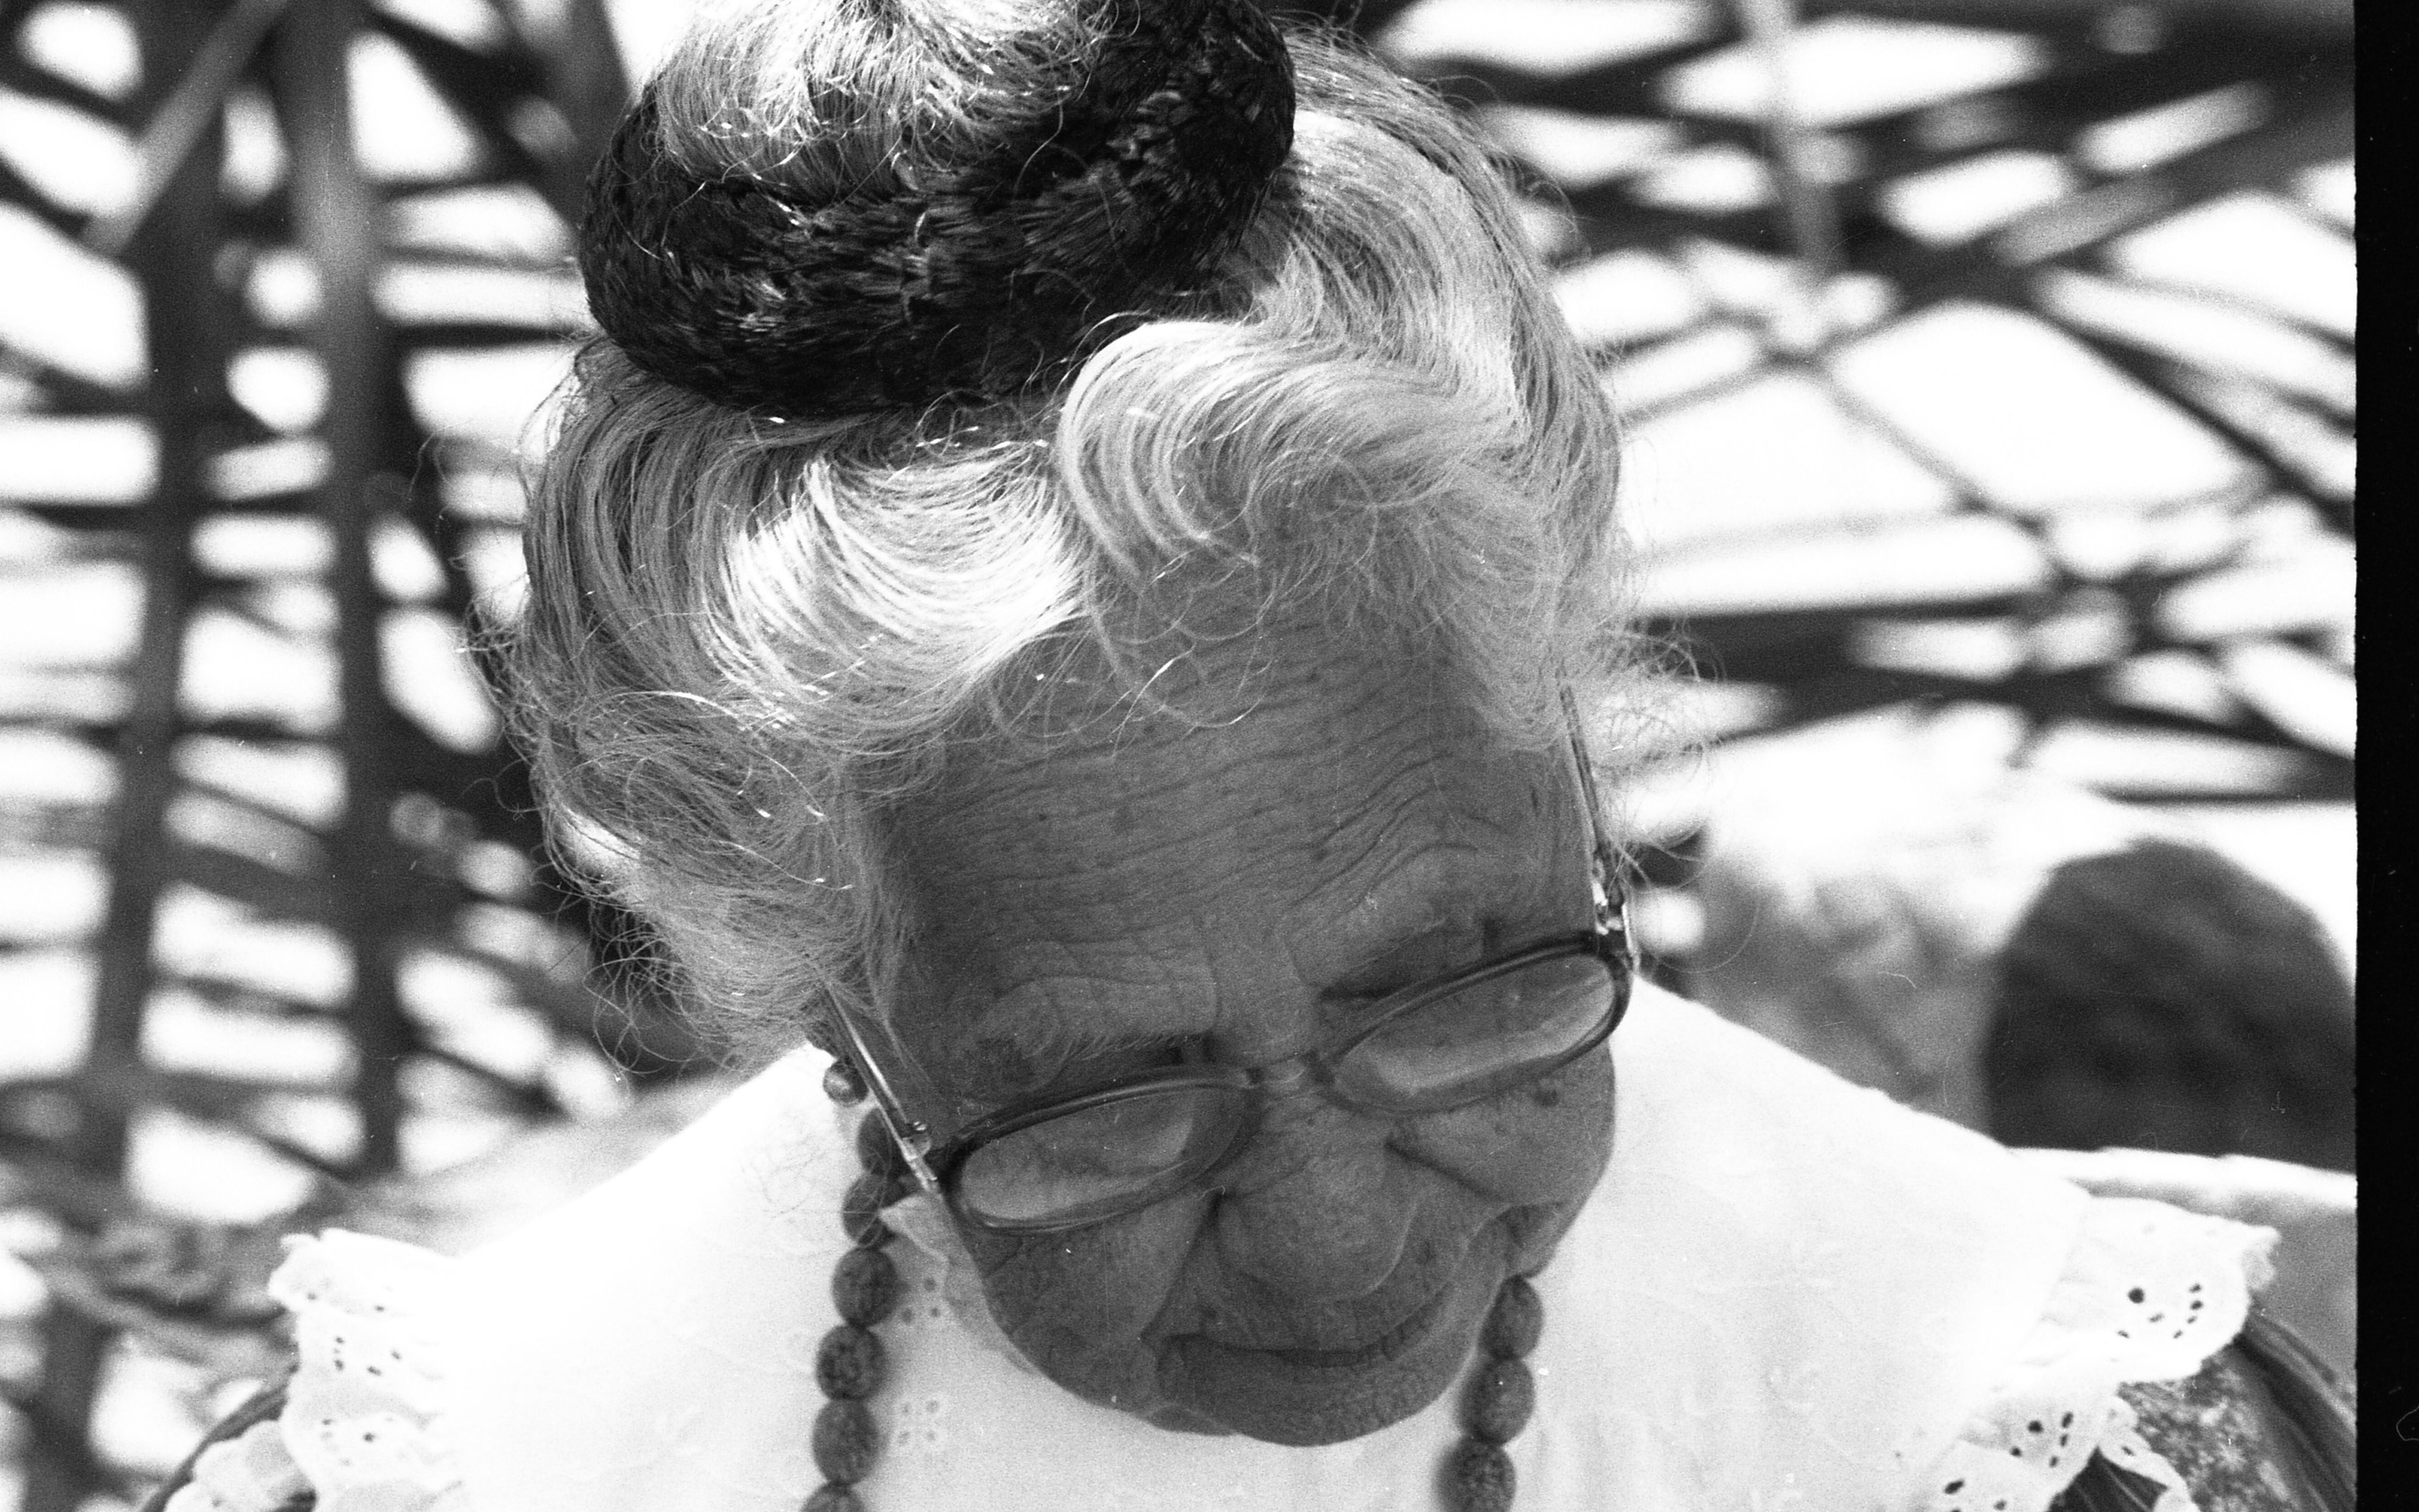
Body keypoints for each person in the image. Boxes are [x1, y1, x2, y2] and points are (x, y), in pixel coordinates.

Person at [143, 2, 2351, 1508]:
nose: (1325, 1243)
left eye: (1461, 990)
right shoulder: (452, 1464)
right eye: (1107, 1108)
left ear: (1574, 759)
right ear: (830, 1005)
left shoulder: (2046, 1423)